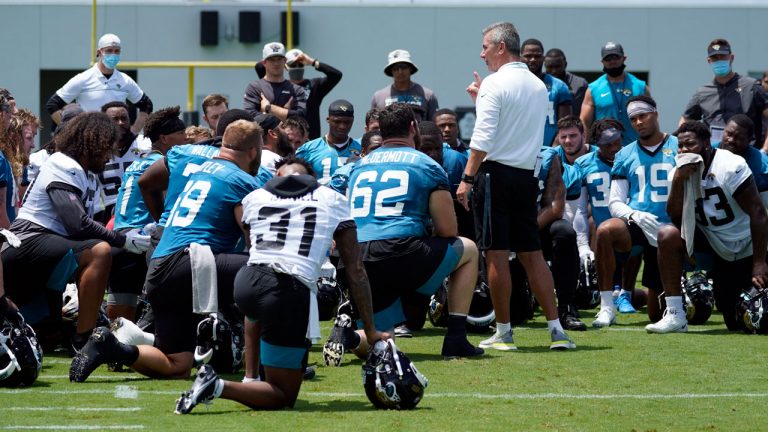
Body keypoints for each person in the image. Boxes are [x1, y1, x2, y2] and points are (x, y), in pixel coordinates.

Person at [173, 157, 388, 413]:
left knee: (259, 308)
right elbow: (355, 270)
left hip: (247, 281)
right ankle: (217, 385)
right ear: (313, 179)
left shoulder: (254, 197)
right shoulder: (332, 198)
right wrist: (371, 329)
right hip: (286, 289)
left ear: (277, 173)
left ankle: (251, 378)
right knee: (282, 396)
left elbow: (254, 248)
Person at [69, 119, 262, 383]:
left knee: (178, 365)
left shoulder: (194, 167)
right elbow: (253, 237)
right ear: (253, 151)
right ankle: (269, 366)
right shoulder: (242, 181)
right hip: (190, 262)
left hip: (160, 266)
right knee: (268, 274)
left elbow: (146, 181)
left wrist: (165, 225)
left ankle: (112, 347)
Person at [456, 22, 575, 350]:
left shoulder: (496, 83)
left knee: (495, 255)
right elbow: (513, 125)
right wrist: (482, 98)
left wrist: (467, 179)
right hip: (526, 176)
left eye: (484, 47)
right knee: (532, 254)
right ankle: (556, 331)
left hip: (494, 175)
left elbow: (483, 138)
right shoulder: (538, 86)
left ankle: (504, 331)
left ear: (500, 47)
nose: (481, 53)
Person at [338, 102, 483, 360]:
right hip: (400, 251)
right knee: (468, 249)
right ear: (413, 128)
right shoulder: (426, 164)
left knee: (382, 341)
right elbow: (447, 230)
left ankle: (348, 336)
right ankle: (456, 338)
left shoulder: (359, 165)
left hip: (355, 258)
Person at [2, 112, 150, 351]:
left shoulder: (86, 173)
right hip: (26, 243)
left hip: (49, 249)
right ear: (93, 144)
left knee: (47, 334)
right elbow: (76, 224)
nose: (110, 155)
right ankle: (86, 340)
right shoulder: (63, 164)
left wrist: (131, 236)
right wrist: (122, 240)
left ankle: (67, 325)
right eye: (106, 148)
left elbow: (91, 225)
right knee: (100, 251)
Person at [649, 121, 768, 333]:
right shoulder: (678, 171)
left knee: (746, 321)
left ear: (706, 143)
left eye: (690, 145)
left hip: (749, 244)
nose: (685, 151)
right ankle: (676, 315)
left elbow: (758, 213)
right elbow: (674, 215)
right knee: (667, 234)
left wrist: (759, 262)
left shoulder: (730, 165)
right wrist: (678, 180)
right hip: (716, 247)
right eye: (681, 146)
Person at [593, 95, 677, 327]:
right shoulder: (624, 154)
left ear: (656, 114)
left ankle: (675, 303)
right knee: (605, 231)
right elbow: (615, 201)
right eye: (634, 119)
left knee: (656, 314)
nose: (639, 122)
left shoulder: (678, 146)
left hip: (670, 228)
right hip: (639, 223)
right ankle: (607, 306)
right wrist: (633, 215)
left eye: (643, 116)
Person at [111, 107, 187, 320]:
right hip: (144, 241)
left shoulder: (139, 162)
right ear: (164, 138)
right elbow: (166, 209)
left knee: (120, 323)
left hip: (122, 239)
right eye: (181, 134)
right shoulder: (164, 165)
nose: (186, 138)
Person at [46, 33, 153, 134]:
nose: (113, 54)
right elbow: (52, 104)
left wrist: (134, 131)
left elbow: (147, 105)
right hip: (89, 140)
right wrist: (72, 131)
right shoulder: (83, 78)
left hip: (117, 141)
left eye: (117, 51)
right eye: (109, 50)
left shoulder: (125, 80)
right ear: (99, 52)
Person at [680, 39, 768, 151]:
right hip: (714, 156)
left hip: (747, 154)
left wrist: (765, 149)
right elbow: (685, 120)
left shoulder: (751, 86)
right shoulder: (702, 92)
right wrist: (685, 147)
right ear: (708, 61)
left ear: (731, 58)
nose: (719, 61)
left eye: (723, 57)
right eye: (715, 58)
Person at [580, 42, 649, 146]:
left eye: (616, 57)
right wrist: (585, 148)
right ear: (602, 61)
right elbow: (584, 122)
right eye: (608, 59)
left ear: (624, 58)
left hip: (636, 150)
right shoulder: (593, 89)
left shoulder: (640, 87)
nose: (612, 61)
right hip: (604, 151)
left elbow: (651, 118)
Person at [95, 101, 151, 223]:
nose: (121, 123)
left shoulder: (146, 144)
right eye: (115, 119)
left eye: (124, 118)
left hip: (142, 209)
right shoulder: (96, 150)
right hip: (110, 213)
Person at [521, 39, 572, 147]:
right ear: (520, 58)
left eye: (537, 56)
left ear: (543, 58)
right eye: (528, 56)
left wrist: (553, 150)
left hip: (549, 148)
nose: (533, 59)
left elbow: (566, 124)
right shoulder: (513, 84)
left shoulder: (559, 86)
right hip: (520, 149)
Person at [295, 100, 361, 184]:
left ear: (353, 121)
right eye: (337, 122)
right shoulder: (308, 149)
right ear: (328, 119)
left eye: (347, 122)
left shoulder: (361, 149)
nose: (342, 126)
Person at [284, 48, 343, 139]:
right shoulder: (280, 86)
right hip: (287, 140)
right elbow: (259, 67)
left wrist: (312, 62)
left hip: (311, 141)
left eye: (300, 64)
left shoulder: (314, 85)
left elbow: (336, 75)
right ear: (286, 67)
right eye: (293, 65)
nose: (297, 67)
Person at [243, 42, 307, 121]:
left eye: (279, 59)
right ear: (264, 63)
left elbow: (300, 117)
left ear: (285, 61)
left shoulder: (296, 89)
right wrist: (284, 113)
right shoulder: (254, 88)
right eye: (272, 60)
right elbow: (249, 116)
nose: (276, 63)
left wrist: (269, 108)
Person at [371, 49, 438, 122]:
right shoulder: (379, 97)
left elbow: (435, 126)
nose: (400, 71)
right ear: (391, 71)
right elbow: (374, 126)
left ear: (410, 69)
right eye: (395, 68)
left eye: (403, 67)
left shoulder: (428, 95)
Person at [718, 114, 768, 207]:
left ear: (749, 140)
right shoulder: (709, 151)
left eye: (739, 138)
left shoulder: (760, 163)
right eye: (729, 134)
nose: (731, 140)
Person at [544, 48, 588, 119]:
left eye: (557, 66)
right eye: (550, 67)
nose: (554, 71)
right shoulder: (539, 83)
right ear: (545, 65)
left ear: (565, 64)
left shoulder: (580, 84)